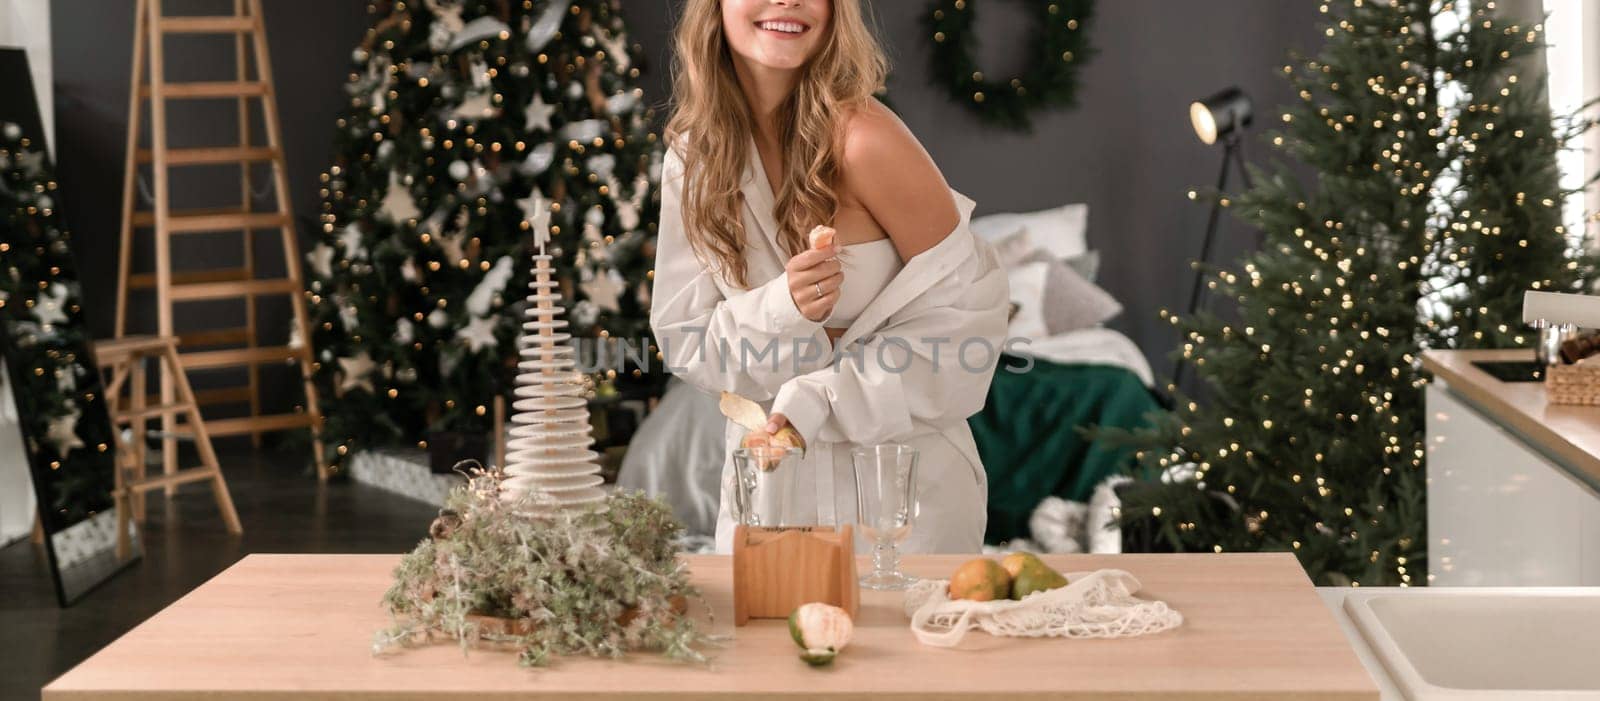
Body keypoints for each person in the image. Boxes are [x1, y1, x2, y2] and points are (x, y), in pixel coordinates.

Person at [649, 0, 1009, 553]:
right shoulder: (694, 158)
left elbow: (971, 325)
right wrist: (783, 308)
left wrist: (820, 396)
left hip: (901, 508)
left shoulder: (866, 140)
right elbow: (685, 340)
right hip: (767, 501)